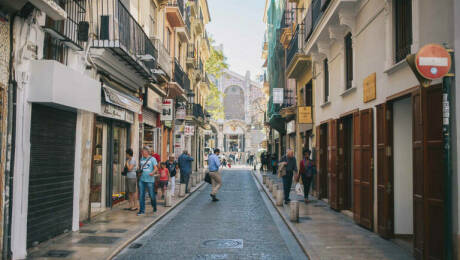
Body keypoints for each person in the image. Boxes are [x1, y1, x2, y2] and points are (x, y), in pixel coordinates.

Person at [138, 146, 158, 216]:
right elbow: (141, 167)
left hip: (150, 180)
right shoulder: (141, 159)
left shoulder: (153, 159)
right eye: (141, 152)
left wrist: (153, 173)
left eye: (143, 152)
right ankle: (141, 210)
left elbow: (156, 168)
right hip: (142, 179)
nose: (142, 153)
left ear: (147, 152)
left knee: (152, 195)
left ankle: (154, 206)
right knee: (141, 195)